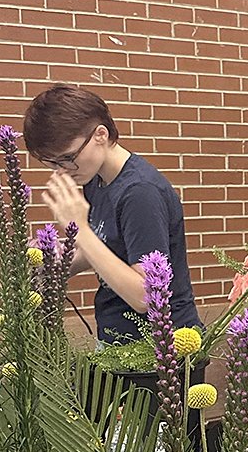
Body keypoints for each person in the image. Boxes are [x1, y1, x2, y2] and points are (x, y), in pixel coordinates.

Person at [22, 85, 200, 343]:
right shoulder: (96, 181)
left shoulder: (140, 193)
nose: (62, 171)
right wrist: (53, 266)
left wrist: (80, 230)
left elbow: (147, 296)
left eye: (67, 158)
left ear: (100, 135)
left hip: (160, 350)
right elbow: (105, 247)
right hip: (119, 338)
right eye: (52, 164)